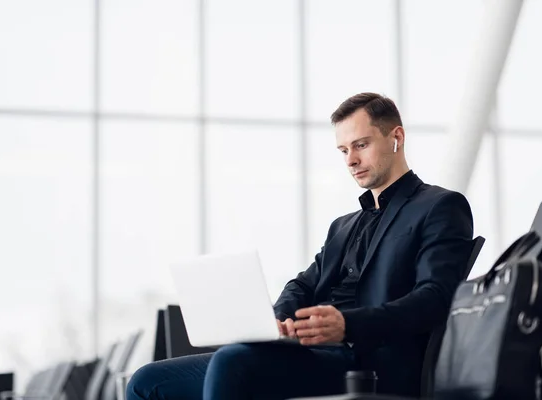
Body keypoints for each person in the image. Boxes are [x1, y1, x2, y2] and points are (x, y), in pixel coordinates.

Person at [126, 92, 474, 400]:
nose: (350, 160)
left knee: (233, 362)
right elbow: (304, 284)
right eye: (343, 150)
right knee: (147, 381)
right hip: (316, 353)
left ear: (396, 137)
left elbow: (435, 298)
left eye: (361, 145)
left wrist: (347, 325)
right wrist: (278, 320)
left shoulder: (439, 207)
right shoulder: (344, 226)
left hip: (370, 361)